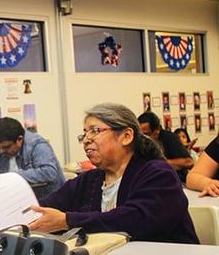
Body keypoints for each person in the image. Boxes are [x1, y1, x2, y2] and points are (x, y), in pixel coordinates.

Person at [30, 103, 199, 244]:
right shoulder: (89, 180)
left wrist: (67, 221)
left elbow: (133, 221)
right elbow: (44, 206)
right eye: (84, 133)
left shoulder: (158, 174)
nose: (87, 139)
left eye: (95, 131)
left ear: (126, 136)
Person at [0, 117, 65, 199]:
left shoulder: (37, 145)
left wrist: (12, 177)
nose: (1, 151)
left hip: (48, 200)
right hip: (16, 199)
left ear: (19, 139)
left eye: (6, 147)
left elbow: (49, 172)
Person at [138, 112, 193, 182]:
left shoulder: (170, 138)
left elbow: (189, 162)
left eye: (146, 134)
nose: (143, 138)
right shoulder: (139, 141)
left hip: (175, 181)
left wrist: (161, 163)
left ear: (157, 130)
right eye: (140, 135)